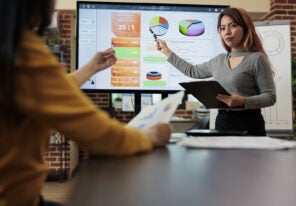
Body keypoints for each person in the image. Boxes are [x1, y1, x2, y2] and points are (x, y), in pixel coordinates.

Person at [0, 0, 172, 205]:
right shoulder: (22, 52)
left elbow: (46, 91)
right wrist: (150, 135)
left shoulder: (9, 49)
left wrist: (90, 69)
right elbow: (101, 136)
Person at [156, 7, 276, 136]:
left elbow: (270, 97)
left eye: (233, 26)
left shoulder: (257, 59)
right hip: (223, 122)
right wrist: (167, 52)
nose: (227, 32)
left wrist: (243, 101)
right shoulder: (218, 60)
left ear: (245, 28)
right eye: (223, 28)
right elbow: (192, 71)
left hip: (250, 124)